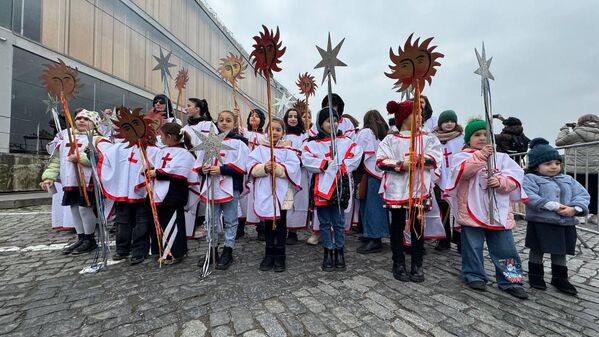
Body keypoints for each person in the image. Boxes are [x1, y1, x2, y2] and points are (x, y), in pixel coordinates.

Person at [445, 119, 529, 299]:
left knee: (506, 249)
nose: (482, 138)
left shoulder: (502, 158)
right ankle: (473, 274)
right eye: (477, 135)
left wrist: (501, 182)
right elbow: (462, 173)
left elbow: (514, 178)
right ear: (469, 139)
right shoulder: (462, 156)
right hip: (472, 210)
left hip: (498, 211)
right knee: (472, 247)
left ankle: (511, 280)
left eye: (486, 134)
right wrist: (481, 157)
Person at [377, 100, 442, 282]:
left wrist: (421, 159)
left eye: (421, 113)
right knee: (397, 225)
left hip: (418, 188)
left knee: (417, 225)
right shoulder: (391, 139)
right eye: (416, 113)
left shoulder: (427, 138)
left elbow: (436, 158)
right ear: (405, 117)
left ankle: (417, 263)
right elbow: (380, 160)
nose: (420, 116)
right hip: (397, 188)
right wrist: (400, 165)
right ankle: (398, 262)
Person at [524, 138, 590, 295]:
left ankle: (560, 278)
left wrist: (575, 209)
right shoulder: (531, 178)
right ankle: (535, 275)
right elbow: (528, 195)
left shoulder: (567, 179)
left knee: (560, 250)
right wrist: (549, 204)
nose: (554, 167)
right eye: (548, 164)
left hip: (565, 222)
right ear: (536, 166)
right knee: (537, 248)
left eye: (557, 163)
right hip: (541, 221)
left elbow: (582, 195)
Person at [40, 109, 109, 255]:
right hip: (70, 181)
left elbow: (103, 159)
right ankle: (81, 237)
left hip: (88, 183)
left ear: (95, 124)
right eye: (79, 118)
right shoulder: (66, 139)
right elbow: (56, 161)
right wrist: (49, 176)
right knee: (74, 209)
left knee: (85, 209)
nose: (82, 121)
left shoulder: (99, 140)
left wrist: (82, 159)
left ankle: (90, 239)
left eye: (86, 119)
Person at [302, 107, 362, 272]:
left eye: (335, 120)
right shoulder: (312, 144)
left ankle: (339, 251)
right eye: (329, 121)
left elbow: (356, 155)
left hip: (339, 187)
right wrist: (325, 164)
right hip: (321, 188)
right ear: (321, 123)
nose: (333, 124)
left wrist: (340, 165)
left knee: (339, 221)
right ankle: (328, 251)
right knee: (324, 222)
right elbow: (307, 159)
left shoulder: (346, 141)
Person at [193, 110, 249, 270]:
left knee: (231, 220)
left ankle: (228, 250)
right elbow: (198, 162)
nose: (224, 123)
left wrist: (222, 170)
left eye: (228, 120)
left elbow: (242, 166)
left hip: (231, 186)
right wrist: (202, 169)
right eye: (221, 120)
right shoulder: (210, 141)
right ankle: (212, 250)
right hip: (212, 186)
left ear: (234, 124)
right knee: (210, 220)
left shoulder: (239, 143)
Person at [97, 123, 160, 265]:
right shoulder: (118, 148)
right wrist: (94, 155)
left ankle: (140, 250)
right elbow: (106, 160)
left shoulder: (152, 150)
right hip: (123, 191)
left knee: (142, 221)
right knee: (122, 221)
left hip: (142, 194)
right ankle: (122, 248)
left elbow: (157, 167)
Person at [248, 117, 301, 272]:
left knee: (281, 223)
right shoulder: (259, 150)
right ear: (266, 131)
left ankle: (280, 254)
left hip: (284, 192)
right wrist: (264, 168)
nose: (275, 132)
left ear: (283, 133)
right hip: (266, 191)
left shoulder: (288, 151)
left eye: (278, 129)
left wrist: (278, 168)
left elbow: (294, 168)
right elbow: (250, 166)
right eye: (272, 129)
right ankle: (269, 252)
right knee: (269, 224)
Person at [146, 123, 199, 265]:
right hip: (159, 192)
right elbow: (156, 165)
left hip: (174, 194)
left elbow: (179, 171)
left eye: (162, 135)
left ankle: (175, 253)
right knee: (161, 222)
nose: (160, 138)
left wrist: (156, 173)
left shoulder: (185, 154)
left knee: (173, 223)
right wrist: (149, 169)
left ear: (169, 137)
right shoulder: (162, 151)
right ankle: (162, 250)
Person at [354, 110, 389, 254]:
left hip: (369, 173)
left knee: (371, 206)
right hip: (382, 173)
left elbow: (358, 151)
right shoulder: (386, 134)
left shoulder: (366, 132)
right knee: (377, 206)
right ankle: (372, 234)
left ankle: (374, 238)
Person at [555, 114, 599, 224]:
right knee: (593, 191)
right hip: (595, 169)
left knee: (574, 192)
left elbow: (559, 142)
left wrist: (564, 129)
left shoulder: (576, 134)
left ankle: (577, 213)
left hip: (574, 168)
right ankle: (594, 215)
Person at [432, 110, 465, 251]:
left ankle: (460, 240)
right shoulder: (434, 139)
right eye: (446, 121)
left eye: (452, 121)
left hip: (457, 176)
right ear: (440, 124)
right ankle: (443, 238)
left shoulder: (461, 138)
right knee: (442, 207)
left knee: (459, 208)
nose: (449, 124)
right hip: (441, 176)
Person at [283, 108, 309, 244]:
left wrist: (295, 161)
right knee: (285, 199)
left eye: (295, 116)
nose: (292, 119)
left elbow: (305, 152)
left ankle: (293, 231)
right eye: (290, 116)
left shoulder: (304, 136)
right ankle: (284, 229)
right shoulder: (282, 135)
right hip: (284, 173)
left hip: (299, 172)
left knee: (297, 200)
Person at [241, 108, 267, 240]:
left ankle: (261, 227)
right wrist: (236, 115)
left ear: (262, 120)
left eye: (257, 116)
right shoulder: (243, 132)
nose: (254, 117)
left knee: (257, 196)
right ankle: (240, 225)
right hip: (243, 167)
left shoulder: (266, 137)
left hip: (257, 169)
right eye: (251, 115)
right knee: (242, 197)